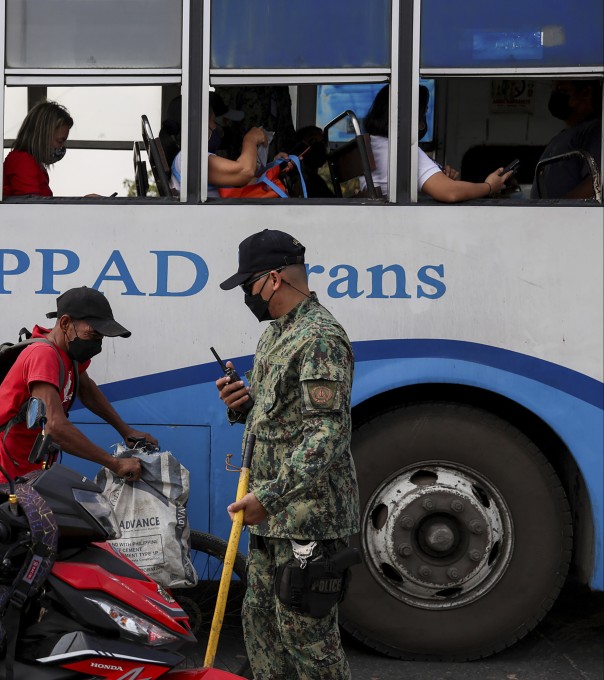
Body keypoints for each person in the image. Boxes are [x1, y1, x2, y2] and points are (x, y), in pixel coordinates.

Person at [215, 229, 360, 680]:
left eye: (247, 286)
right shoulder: (277, 334)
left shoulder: (320, 337)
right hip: (275, 519)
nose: (245, 295)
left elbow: (327, 433)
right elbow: (280, 415)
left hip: (307, 517)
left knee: (308, 641)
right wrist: (244, 406)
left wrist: (270, 496)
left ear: (273, 279)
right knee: (261, 626)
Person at [0, 286, 156, 485]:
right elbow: (55, 427)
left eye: (101, 338)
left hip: (29, 473)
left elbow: (86, 389)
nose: (98, 344)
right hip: (0, 477)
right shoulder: (43, 355)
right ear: (66, 323)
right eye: (93, 334)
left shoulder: (69, 354)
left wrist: (125, 430)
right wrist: (114, 464)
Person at [364, 84, 512, 201]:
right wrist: (489, 186)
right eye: (423, 114)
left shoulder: (374, 144)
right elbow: (450, 193)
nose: (422, 125)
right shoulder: (402, 151)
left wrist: (445, 179)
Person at [167, 92, 269, 198]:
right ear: (198, 126)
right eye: (213, 121)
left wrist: (276, 166)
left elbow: (244, 182)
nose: (216, 127)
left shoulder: (186, 158)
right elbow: (245, 171)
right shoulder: (189, 157)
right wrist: (250, 139)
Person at [530, 79, 602, 199]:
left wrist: (558, 210)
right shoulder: (566, 135)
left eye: (563, 90)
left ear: (585, 93)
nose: (556, 95)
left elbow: (596, 183)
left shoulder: (594, 131)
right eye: (554, 89)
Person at [3, 100, 79, 197]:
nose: (61, 147)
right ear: (43, 135)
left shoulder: (31, 163)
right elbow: (32, 208)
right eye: (60, 141)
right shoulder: (23, 162)